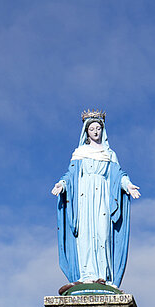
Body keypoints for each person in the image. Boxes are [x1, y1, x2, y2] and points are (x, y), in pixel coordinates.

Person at [52, 110, 140, 288]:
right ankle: (85, 275)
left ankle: (103, 275)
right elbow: (71, 175)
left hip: (102, 199)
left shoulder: (109, 154)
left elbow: (117, 175)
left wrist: (128, 185)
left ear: (102, 130)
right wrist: (62, 184)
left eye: (98, 128)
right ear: (86, 132)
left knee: (102, 234)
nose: (95, 131)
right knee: (84, 234)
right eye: (91, 128)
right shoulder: (80, 152)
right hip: (84, 200)